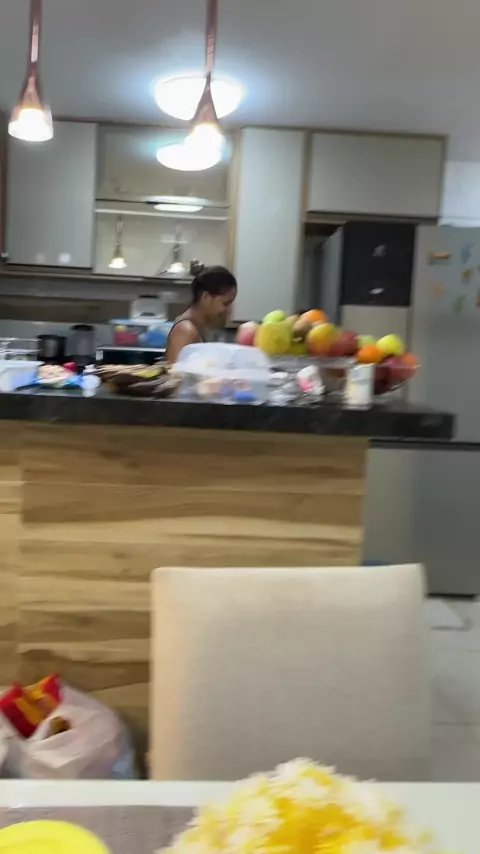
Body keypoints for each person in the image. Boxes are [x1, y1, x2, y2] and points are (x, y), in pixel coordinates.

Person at [166, 266, 237, 363]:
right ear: (206, 297)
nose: (228, 310)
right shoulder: (186, 331)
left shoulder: (200, 326)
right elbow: (176, 370)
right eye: (225, 303)